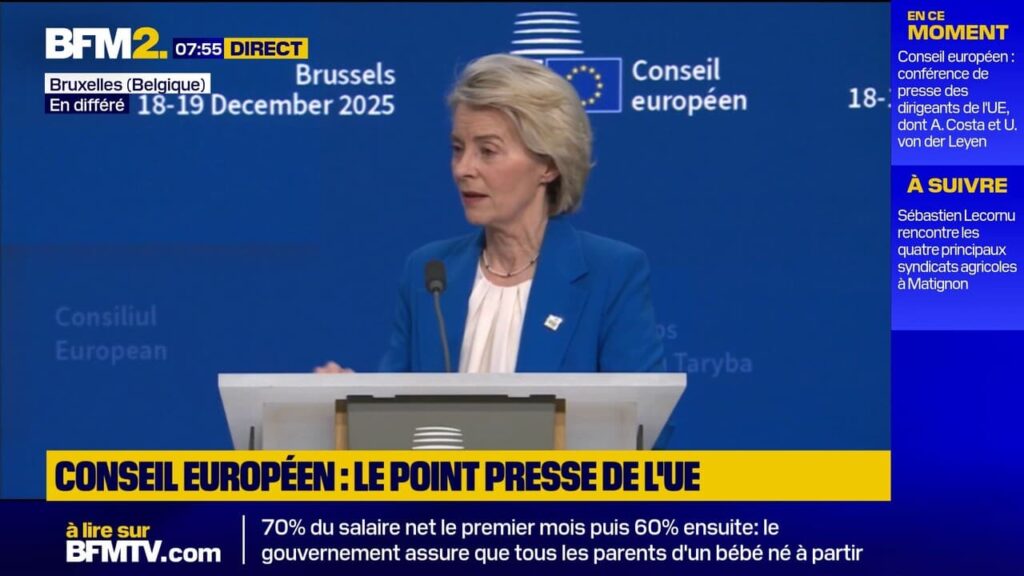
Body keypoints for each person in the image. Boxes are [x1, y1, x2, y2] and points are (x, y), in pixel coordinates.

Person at [318, 53, 665, 374]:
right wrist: (353, 400)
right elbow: (397, 404)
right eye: (458, 149)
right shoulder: (429, 273)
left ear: (548, 164)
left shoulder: (611, 273)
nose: (462, 169)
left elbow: (640, 413)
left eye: (487, 151)